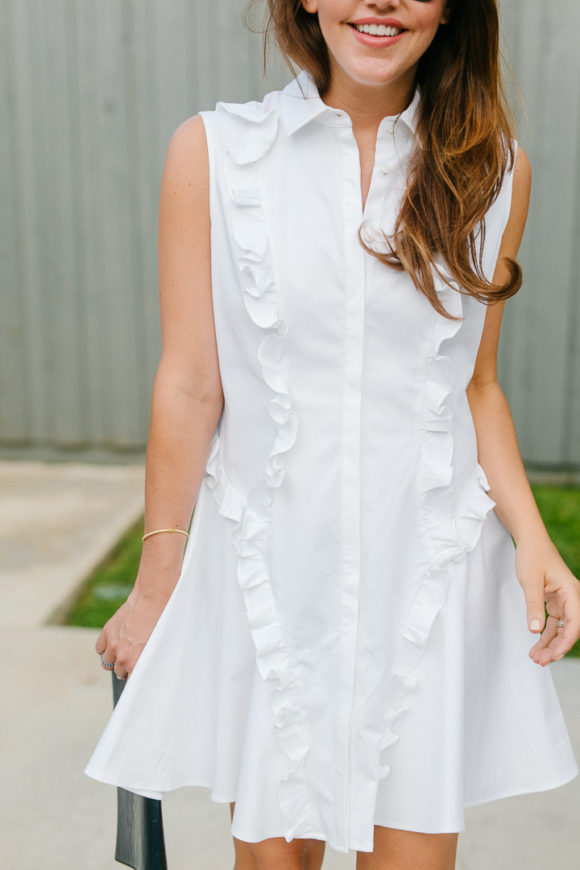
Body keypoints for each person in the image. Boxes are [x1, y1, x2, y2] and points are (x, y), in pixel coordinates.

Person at [85, 1, 580, 868]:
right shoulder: (213, 154)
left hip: (424, 578)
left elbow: (475, 384)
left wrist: (535, 542)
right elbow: (192, 384)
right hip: (277, 581)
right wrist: (156, 581)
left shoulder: (495, 171)